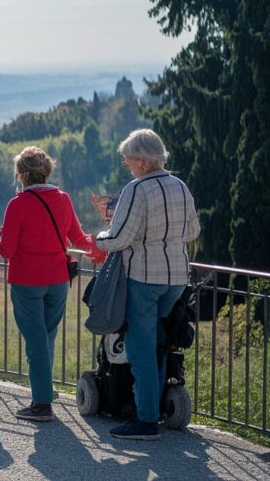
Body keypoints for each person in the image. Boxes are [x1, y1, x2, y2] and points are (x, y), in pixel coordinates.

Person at [95, 129, 200, 440]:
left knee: (140, 347)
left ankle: (146, 420)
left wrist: (98, 239)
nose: (126, 165)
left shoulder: (136, 190)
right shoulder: (180, 185)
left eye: (128, 159)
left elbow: (119, 237)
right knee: (157, 342)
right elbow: (192, 230)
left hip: (144, 276)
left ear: (142, 161)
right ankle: (155, 406)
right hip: (177, 277)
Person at [0, 147, 105, 422]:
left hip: (27, 281)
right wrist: (104, 244)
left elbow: (7, 251)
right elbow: (79, 239)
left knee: (35, 342)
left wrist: (1, 235)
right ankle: (45, 389)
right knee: (47, 336)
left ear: (21, 174)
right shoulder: (63, 199)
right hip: (58, 279)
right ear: (47, 171)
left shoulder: (17, 205)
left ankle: (41, 404)